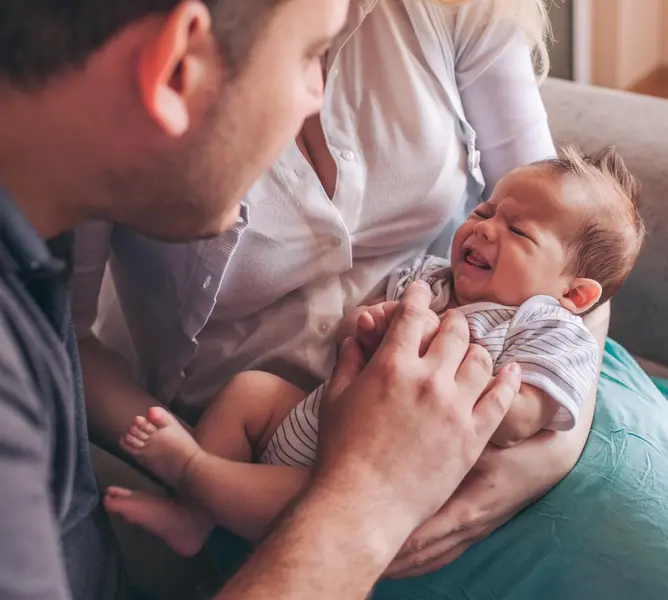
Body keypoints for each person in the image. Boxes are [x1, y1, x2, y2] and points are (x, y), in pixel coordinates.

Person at [73, 1, 668, 599]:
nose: (483, 226)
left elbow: (566, 263)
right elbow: (63, 335)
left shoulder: (450, 9)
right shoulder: (126, 58)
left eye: (504, 225)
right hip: (294, 437)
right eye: (485, 214)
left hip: (500, 410)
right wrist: (182, 459)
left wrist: (540, 457)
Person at [0, 0, 526, 599]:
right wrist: (372, 496)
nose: (317, 97)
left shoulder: (31, 269)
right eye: (308, 58)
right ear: (176, 68)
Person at [103, 146, 646, 557]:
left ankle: (196, 473)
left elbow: (527, 415)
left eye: (519, 230)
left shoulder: (543, 322)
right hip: (320, 416)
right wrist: (370, 325)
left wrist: (464, 372)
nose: (483, 230)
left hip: (375, 467)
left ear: (574, 293)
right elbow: (350, 338)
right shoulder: (430, 281)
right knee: (250, 391)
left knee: (312, 503)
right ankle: (192, 519)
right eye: (484, 212)